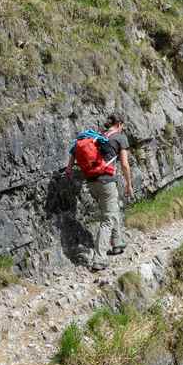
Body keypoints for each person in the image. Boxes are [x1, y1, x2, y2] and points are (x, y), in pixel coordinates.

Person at [65, 113, 133, 270]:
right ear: (120, 124)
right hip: (106, 182)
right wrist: (129, 184)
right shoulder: (120, 138)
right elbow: (124, 164)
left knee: (111, 209)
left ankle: (118, 243)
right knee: (108, 218)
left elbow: (74, 150)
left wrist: (69, 167)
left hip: (91, 182)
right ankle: (99, 259)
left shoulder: (96, 137)